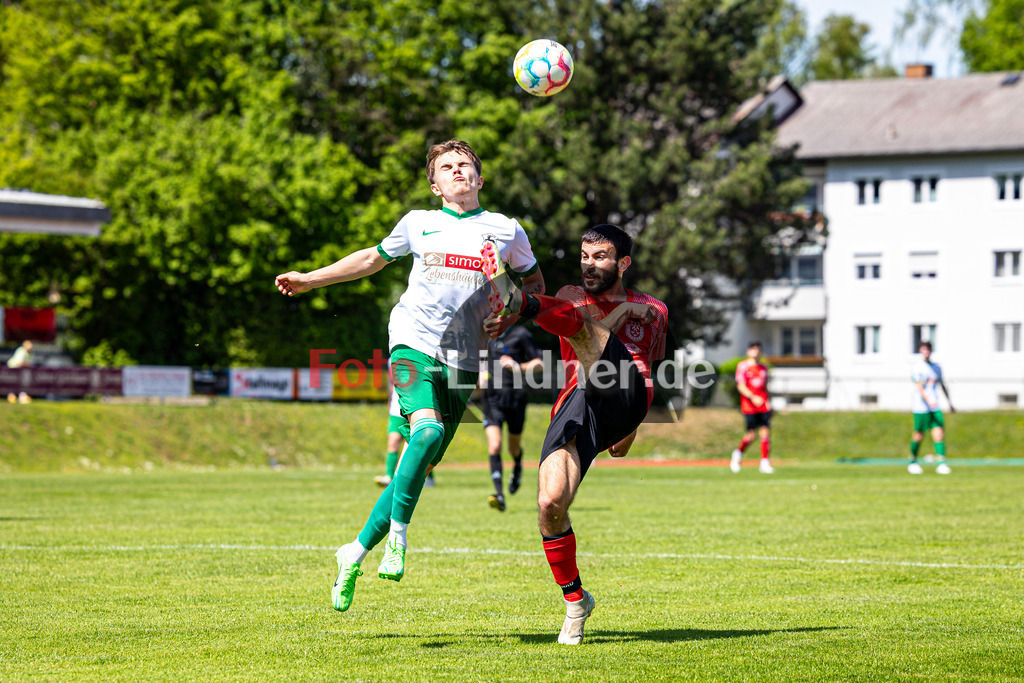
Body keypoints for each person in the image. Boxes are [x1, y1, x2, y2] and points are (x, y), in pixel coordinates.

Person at [275, 139, 544, 613]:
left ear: (480, 180)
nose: (458, 172)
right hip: (411, 342)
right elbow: (371, 259)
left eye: (466, 166)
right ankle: (399, 535)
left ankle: (353, 552)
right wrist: (310, 278)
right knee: (427, 428)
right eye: (447, 167)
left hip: (465, 358)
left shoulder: (505, 230)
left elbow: (533, 285)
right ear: (434, 183)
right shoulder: (418, 223)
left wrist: (511, 309)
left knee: (418, 463)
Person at [481, 223, 668, 645]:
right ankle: (576, 600)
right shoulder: (569, 296)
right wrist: (514, 313)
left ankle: (518, 296)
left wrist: (633, 425)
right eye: (584, 256)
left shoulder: (651, 308)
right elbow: (561, 315)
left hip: (626, 391)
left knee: (581, 322)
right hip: (578, 402)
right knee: (550, 504)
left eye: (600, 257)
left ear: (623, 263)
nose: (589, 264)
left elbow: (648, 372)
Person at [480, 323, 543, 512]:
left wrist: (518, 366)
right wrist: (480, 372)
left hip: (516, 397)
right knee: (495, 445)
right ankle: (499, 494)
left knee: (513, 447)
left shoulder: (521, 333)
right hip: (491, 398)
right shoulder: (486, 333)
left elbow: (539, 363)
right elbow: (478, 357)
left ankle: (517, 466)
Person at [376, 378, 435, 489]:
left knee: (420, 444)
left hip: (416, 409)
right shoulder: (391, 361)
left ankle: (428, 476)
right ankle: (389, 476)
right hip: (396, 411)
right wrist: (389, 402)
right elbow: (391, 383)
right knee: (393, 441)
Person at [909, 341, 953, 475]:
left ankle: (941, 463)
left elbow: (942, 384)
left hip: (935, 406)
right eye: (923, 349)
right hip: (921, 407)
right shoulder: (918, 367)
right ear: (920, 351)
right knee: (919, 434)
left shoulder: (936, 368)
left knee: (939, 433)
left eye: (928, 349)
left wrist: (949, 403)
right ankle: (913, 461)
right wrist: (928, 400)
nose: (926, 352)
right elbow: (919, 387)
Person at [729, 341, 774, 474]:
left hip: (763, 405)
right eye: (753, 349)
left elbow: (765, 387)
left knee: (765, 431)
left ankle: (764, 462)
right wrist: (753, 397)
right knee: (751, 435)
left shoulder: (764, 368)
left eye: (758, 350)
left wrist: (768, 401)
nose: (756, 352)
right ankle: (737, 454)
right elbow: (741, 386)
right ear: (748, 351)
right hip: (749, 406)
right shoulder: (743, 367)